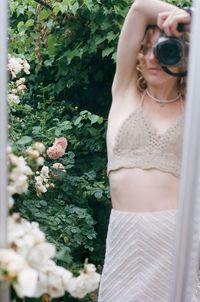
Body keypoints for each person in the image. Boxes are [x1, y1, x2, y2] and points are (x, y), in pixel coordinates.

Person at [98, 0, 200, 301]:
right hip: (125, 239)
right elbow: (141, 8)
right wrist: (179, 16)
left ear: (185, 57)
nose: (154, 58)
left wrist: (192, 19)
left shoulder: (193, 110)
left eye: (164, 49)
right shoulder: (125, 92)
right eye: (148, 49)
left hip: (179, 242)